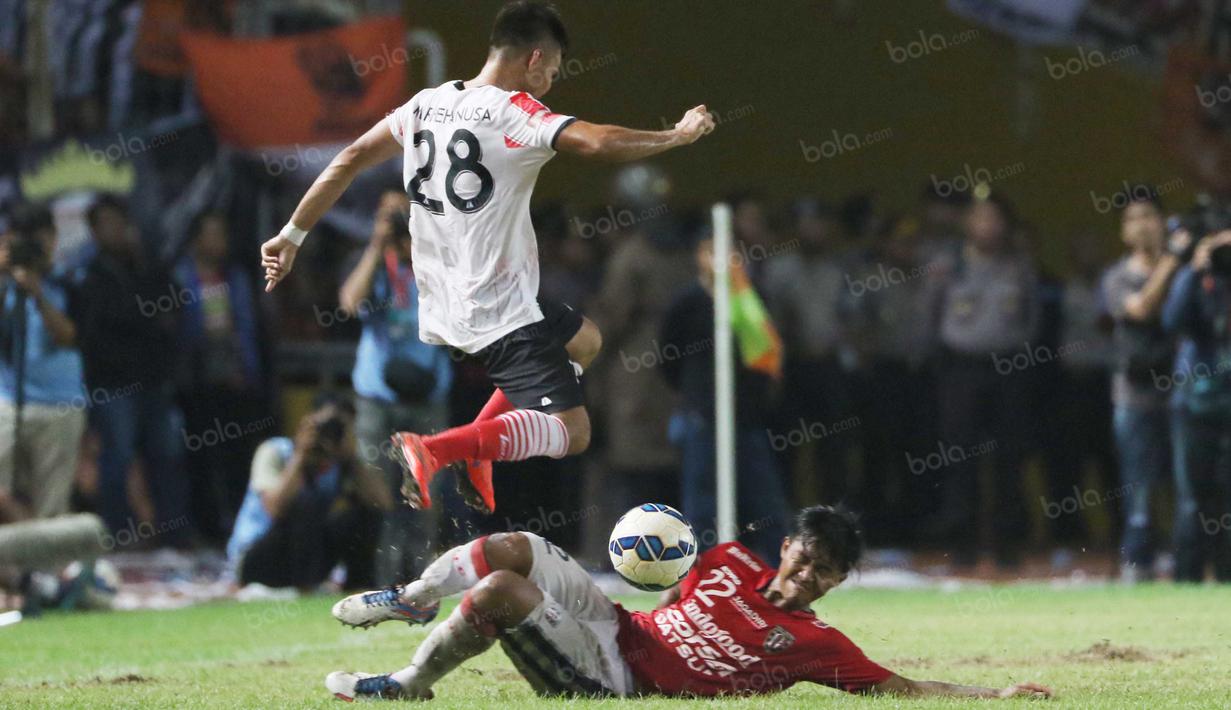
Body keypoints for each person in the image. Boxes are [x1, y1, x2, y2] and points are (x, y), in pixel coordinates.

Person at [260, 0, 716, 513]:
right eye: (554, 71)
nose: (549, 83)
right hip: (498, 306)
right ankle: (436, 449)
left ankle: (479, 453)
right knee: (575, 432)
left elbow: (347, 159)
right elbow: (595, 142)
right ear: (535, 57)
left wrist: (291, 235)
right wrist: (675, 136)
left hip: (449, 297)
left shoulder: (425, 105)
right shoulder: (515, 110)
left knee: (585, 342)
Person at [321, 506, 1052, 701]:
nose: (801, 581)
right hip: (613, 623)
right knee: (515, 545)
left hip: (617, 679)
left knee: (500, 591)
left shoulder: (816, 644)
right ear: (787, 548)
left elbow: (902, 687)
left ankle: (408, 687)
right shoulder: (729, 559)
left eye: (820, 576)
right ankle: (415, 599)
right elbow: (666, 589)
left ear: (833, 585)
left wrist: (998, 694)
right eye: (801, 561)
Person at [339, 190, 454, 583]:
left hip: (428, 397)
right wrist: (376, 245)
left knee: (425, 495)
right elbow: (350, 302)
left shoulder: (438, 263)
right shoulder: (372, 263)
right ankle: (379, 581)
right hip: (377, 399)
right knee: (377, 494)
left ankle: (421, 583)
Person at [919, 191, 1037, 568]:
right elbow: (930, 315)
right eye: (980, 217)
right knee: (960, 458)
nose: (988, 226)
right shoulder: (947, 266)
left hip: (1007, 368)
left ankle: (1007, 544)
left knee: (1009, 458)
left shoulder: (1018, 266)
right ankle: (962, 544)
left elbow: (1031, 318)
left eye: (995, 218)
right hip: (960, 369)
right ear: (967, 223)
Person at [659, 232, 788, 561]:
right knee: (702, 505)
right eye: (717, 252)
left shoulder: (751, 298)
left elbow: (767, 351)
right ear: (701, 255)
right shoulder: (688, 302)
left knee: (765, 501)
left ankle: (776, 573)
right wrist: (694, 395)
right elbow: (666, 358)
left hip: (748, 418)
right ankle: (703, 574)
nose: (728, 259)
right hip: (702, 417)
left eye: (735, 252)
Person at [75, 194, 190, 544]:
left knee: (167, 456)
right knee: (117, 459)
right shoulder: (88, 275)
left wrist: (143, 320)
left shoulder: (148, 265)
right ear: (94, 231)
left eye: (120, 222)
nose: (117, 231)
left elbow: (174, 309)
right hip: (113, 384)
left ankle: (173, 533)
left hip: (155, 379)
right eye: (106, 224)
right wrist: (144, 320)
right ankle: (118, 534)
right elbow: (96, 331)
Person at [1100, 195, 1184, 582]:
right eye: (1133, 218)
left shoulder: (1187, 274)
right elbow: (1140, 309)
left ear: (1163, 220)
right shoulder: (1117, 276)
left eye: (1150, 215)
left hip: (1183, 393)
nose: (1143, 224)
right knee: (1139, 488)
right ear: (1122, 230)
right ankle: (1138, 564)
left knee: (1189, 486)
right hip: (1134, 396)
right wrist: (1173, 261)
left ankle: (1191, 562)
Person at [226, 394, 390, 589]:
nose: (329, 434)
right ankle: (303, 588)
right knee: (305, 504)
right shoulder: (275, 451)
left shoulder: (340, 462)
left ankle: (358, 589)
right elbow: (275, 509)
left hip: (308, 556)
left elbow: (382, 505)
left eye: (338, 429)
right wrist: (301, 456)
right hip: (259, 555)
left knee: (360, 514)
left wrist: (351, 458)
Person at [175, 210, 267, 542]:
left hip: (232, 378)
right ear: (197, 239)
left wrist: (249, 371)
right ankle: (205, 525)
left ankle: (237, 526)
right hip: (196, 381)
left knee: (236, 456)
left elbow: (245, 328)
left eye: (222, 234)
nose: (219, 242)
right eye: (212, 233)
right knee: (200, 458)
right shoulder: (181, 276)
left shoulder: (235, 277)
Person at [0, 205, 86, 520]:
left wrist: (37, 293)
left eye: (37, 240)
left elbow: (70, 337)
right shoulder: (4, 279)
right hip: (7, 401)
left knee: (51, 507)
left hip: (59, 405)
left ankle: (46, 568)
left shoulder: (70, 278)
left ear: (52, 238)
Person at [1161, 228, 1231, 582]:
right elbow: (1171, 320)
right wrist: (1193, 267)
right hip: (1194, 402)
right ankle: (1185, 581)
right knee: (1192, 499)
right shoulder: (1198, 280)